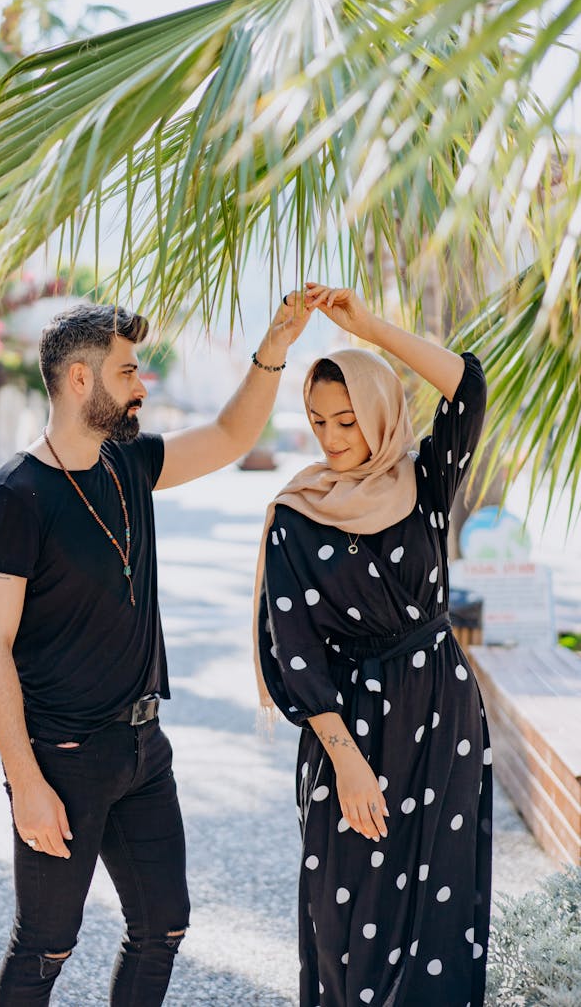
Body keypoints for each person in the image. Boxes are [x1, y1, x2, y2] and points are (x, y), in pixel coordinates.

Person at [0, 290, 324, 1007]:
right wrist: (25, 781)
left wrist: (275, 346)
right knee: (45, 946)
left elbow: (228, 435)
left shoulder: (128, 463)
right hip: (61, 758)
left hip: (142, 748)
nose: (142, 385)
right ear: (79, 379)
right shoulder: (13, 498)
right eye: (128, 371)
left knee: (163, 925)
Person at [254, 286, 491, 1007]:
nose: (331, 437)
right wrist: (346, 761)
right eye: (319, 420)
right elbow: (293, 650)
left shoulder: (422, 483)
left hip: (443, 716)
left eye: (348, 419)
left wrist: (368, 327)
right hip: (348, 728)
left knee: (439, 911)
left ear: (380, 412)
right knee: (344, 912)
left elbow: (466, 385)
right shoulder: (298, 514)